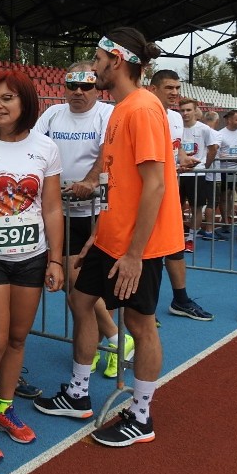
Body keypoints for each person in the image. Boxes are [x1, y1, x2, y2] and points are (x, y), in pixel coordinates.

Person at [34, 28, 182, 447]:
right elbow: (117, 183)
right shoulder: (120, 109)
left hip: (142, 244)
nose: (93, 66)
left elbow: (155, 185)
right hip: (110, 236)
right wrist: (96, 235)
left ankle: (141, 416)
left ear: (116, 60)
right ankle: (78, 395)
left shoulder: (141, 109)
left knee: (140, 323)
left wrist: (135, 253)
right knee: (81, 300)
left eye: (97, 59)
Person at [0, 68, 65, 464]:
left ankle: (3, 408)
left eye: (9, 98)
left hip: (32, 258)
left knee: (18, 339)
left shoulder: (45, 148)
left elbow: (52, 207)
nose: (0, 105)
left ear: (26, 102)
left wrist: (56, 258)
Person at [34, 61, 132, 379]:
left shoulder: (106, 114)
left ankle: (114, 341)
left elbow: (106, 152)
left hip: (94, 213)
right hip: (58, 211)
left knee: (81, 287)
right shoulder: (51, 115)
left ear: (95, 87)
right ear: (63, 87)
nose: (78, 92)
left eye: (86, 85)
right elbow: (35, 148)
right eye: (72, 85)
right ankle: (113, 340)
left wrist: (90, 182)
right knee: (73, 285)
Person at [145, 71, 214, 322]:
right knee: (148, 253)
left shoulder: (175, 118)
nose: (174, 92)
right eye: (168, 87)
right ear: (153, 89)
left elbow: (177, 150)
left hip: (169, 193)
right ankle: (145, 309)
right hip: (146, 195)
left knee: (175, 247)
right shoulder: (144, 113)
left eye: (177, 87)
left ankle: (180, 300)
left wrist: (184, 160)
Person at [178, 99, 220, 242]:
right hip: (178, 173)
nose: (185, 113)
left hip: (197, 174)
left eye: (188, 110)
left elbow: (213, 149)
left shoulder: (204, 129)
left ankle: (191, 239)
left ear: (195, 110)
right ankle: (176, 236)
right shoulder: (176, 128)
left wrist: (205, 165)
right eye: (182, 110)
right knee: (176, 206)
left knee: (196, 207)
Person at [206, 110, 237, 237]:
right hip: (224, 170)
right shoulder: (221, 134)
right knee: (225, 196)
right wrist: (234, 158)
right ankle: (226, 223)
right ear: (229, 120)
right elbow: (218, 154)